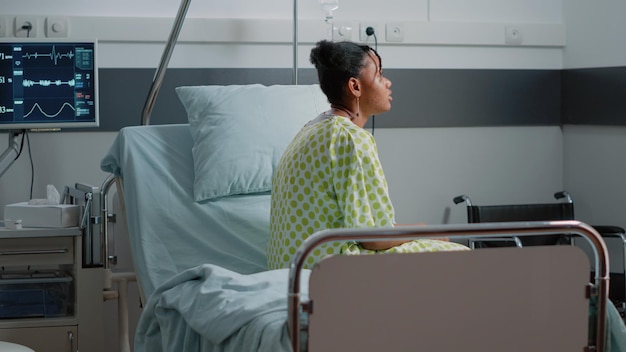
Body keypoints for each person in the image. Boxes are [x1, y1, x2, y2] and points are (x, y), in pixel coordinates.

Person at [266, 40, 468, 270]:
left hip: (290, 265)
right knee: (459, 255)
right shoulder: (351, 138)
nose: (388, 83)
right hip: (327, 268)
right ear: (355, 87)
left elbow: (368, 229)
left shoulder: (309, 130)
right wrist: (423, 229)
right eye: (379, 75)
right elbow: (373, 238)